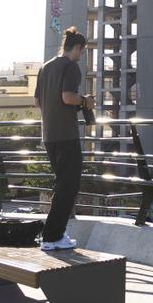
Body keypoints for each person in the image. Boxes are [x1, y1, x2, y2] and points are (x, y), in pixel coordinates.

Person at [35, 27, 94, 251]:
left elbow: (38, 102)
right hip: (66, 135)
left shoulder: (46, 66)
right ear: (77, 48)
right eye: (82, 51)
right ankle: (52, 237)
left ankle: (54, 233)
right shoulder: (71, 66)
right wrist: (84, 101)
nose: (81, 56)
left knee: (61, 185)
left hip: (49, 135)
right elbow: (68, 97)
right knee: (68, 187)